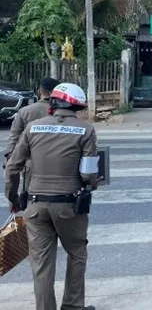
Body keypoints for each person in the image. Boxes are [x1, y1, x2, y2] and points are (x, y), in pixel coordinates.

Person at [5, 83, 99, 310]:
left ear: (53, 103)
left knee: (41, 264)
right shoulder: (86, 130)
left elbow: (12, 167)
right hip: (69, 206)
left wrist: (13, 198)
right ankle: (72, 306)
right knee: (76, 254)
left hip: (35, 205)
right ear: (78, 107)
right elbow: (88, 174)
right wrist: (93, 183)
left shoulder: (33, 128)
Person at [3, 77, 60, 203]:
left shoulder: (25, 112)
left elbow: (14, 140)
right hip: (61, 166)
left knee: (32, 203)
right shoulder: (64, 112)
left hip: (32, 166)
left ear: (39, 92)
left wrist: (13, 197)